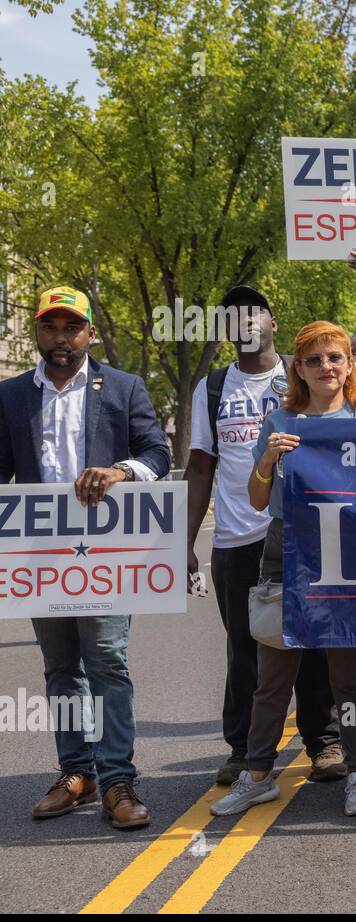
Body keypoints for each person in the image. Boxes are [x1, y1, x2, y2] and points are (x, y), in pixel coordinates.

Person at [1, 286, 171, 829]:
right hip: (39, 554)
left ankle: (118, 779)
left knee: (106, 661)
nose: (61, 338)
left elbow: (158, 455)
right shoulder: (10, 397)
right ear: (37, 332)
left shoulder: (123, 388)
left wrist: (121, 472)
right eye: (50, 327)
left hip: (106, 553)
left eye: (71, 327)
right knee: (60, 668)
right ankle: (76, 773)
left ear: (89, 334)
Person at [211, 322, 356, 818]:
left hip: (350, 555)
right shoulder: (280, 420)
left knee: (350, 675)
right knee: (273, 674)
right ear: (299, 370)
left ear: (349, 364)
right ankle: (258, 773)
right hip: (286, 548)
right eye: (314, 360)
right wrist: (267, 459)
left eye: (335, 357)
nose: (326, 367)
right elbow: (258, 498)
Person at [185, 284, 344, 786]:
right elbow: (199, 467)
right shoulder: (211, 388)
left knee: (312, 642)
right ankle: (245, 750)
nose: (245, 323)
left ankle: (325, 741)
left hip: (302, 533)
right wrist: (184, 541)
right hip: (235, 538)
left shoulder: (300, 376)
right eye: (232, 317)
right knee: (245, 647)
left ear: (273, 323)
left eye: (255, 314)